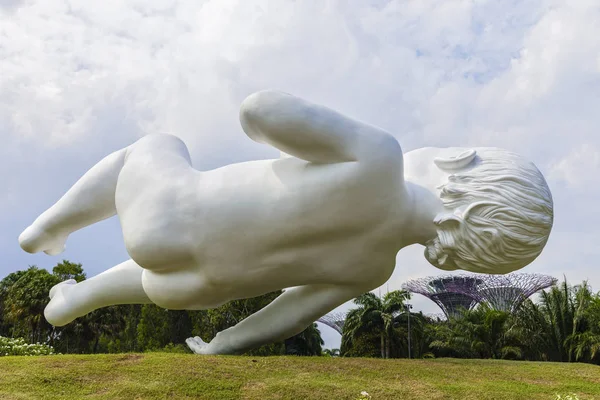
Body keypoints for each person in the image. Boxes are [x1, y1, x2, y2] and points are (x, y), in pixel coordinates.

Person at [18, 90, 554, 355]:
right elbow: (291, 313)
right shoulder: (372, 267)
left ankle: (48, 226)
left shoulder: (382, 160)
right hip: (196, 288)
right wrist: (222, 343)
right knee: (159, 269)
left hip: (171, 217)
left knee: (155, 146)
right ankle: (78, 297)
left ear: (458, 163)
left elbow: (259, 108)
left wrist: (265, 134)